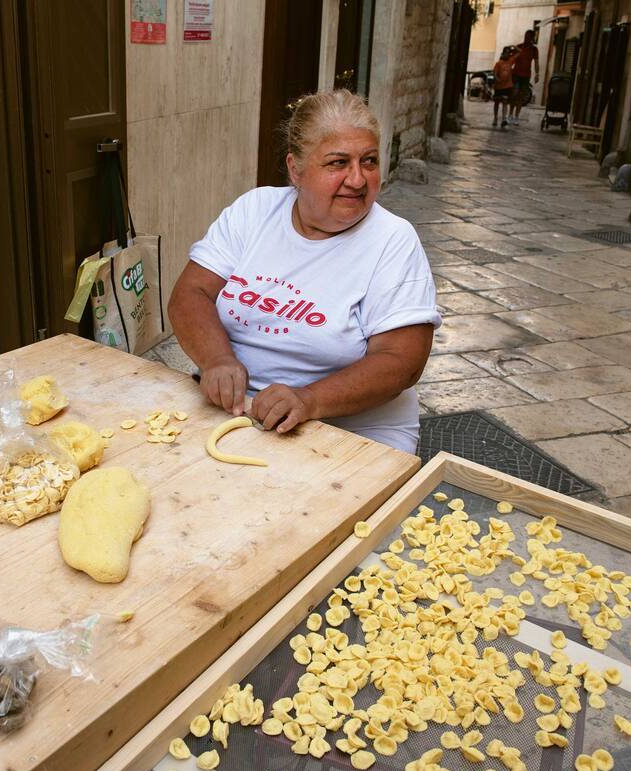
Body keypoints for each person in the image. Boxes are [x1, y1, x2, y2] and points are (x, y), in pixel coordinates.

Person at [168, 89, 442, 453]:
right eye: (338, 163)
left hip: (352, 431)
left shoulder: (392, 241)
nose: (358, 179)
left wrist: (308, 399)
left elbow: (401, 363)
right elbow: (191, 293)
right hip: (237, 411)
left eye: (369, 161)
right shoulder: (255, 211)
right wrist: (216, 359)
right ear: (295, 169)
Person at [508, 29, 540, 125]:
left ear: (532, 38)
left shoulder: (534, 49)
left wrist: (537, 74)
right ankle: (510, 115)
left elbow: (536, 62)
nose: (526, 38)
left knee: (521, 97)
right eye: (525, 36)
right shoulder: (519, 47)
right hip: (516, 74)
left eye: (528, 37)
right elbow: (512, 60)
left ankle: (517, 116)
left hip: (526, 76)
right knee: (514, 94)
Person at [492, 46, 516, 128]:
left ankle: (503, 119)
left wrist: (514, 47)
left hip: (507, 86)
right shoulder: (499, 63)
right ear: (503, 53)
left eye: (508, 53)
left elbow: (520, 52)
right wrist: (497, 78)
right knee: (497, 102)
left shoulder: (511, 61)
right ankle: (495, 118)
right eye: (506, 52)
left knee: (505, 101)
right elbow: (495, 73)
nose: (507, 54)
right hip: (499, 86)